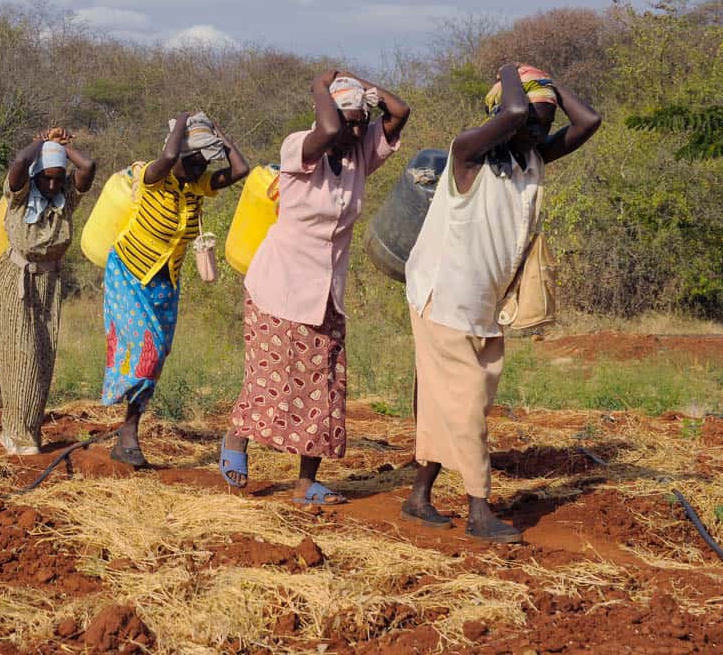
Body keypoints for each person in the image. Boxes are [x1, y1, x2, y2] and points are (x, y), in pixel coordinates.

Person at [402, 64, 601, 543]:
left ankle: (417, 497)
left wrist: (548, 82)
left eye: (544, 124)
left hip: (483, 306)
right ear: (501, 119)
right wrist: (515, 71)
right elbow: (514, 108)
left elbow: (588, 122)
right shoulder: (466, 156)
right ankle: (479, 510)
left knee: (447, 402)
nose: (537, 131)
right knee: (467, 402)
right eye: (528, 123)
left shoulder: (531, 161)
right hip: (442, 297)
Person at [222, 71, 410, 506]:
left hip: (326, 291)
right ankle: (236, 438)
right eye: (348, 121)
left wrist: (359, 87)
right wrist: (321, 85)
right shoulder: (298, 146)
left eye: (362, 122)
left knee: (324, 388)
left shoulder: (357, 158)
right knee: (270, 379)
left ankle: (306, 484)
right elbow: (327, 128)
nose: (356, 130)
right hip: (279, 286)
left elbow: (400, 112)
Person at [103, 112, 249, 466]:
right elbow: (167, 158)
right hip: (129, 273)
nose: (200, 166)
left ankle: (127, 435)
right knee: (145, 352)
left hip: (166, 279)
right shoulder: (153, 176)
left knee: (157, 357)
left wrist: (215, 133)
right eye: (194, 158)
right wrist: (183, 123)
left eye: (205, 159)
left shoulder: (198, 187)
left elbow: (241, 170)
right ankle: (128, 433)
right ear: (180, 153)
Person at [0, 129, 96, 455]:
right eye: (46, 179)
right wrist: (41, 143)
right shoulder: (20, 197)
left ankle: (29, 431)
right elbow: (21, 161)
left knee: (43, 359)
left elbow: (88, 167)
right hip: (16, 279)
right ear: (36, 176)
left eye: (57, 178)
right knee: (19, 356)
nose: (52, 186)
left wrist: (63, 148)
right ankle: (15, 434)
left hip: (49, 284)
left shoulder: (65, 198)